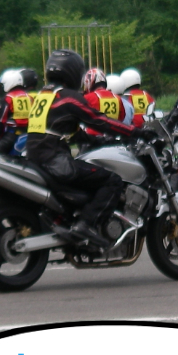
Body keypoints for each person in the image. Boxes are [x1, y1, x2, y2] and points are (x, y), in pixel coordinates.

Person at [26, 49, 145, 247]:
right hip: (55, 161)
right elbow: (99, 121)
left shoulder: (43, 96)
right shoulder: (69, 97)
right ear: (73, 72)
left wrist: (95, 142)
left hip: (35, 157)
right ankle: (86, 224)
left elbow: (63, 129)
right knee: (112, 180)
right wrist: (136, 132)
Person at [0, 69, 31, 155]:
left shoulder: (8, 98)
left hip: (13, 134)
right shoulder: (29, 97)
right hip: (29, 133)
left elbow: (1, 121)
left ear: (9, 82)